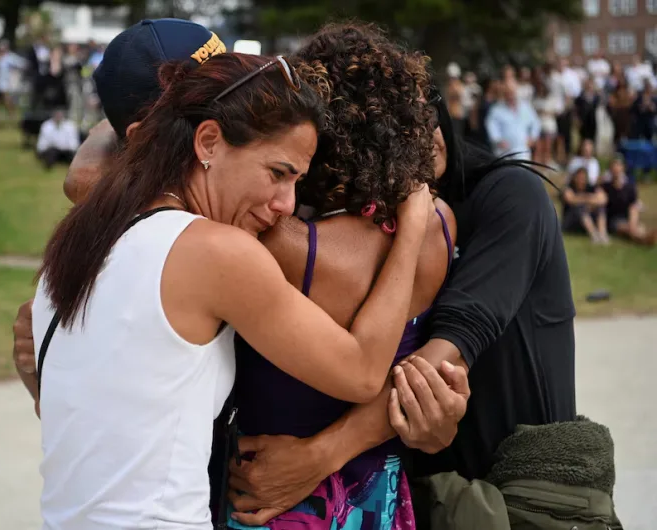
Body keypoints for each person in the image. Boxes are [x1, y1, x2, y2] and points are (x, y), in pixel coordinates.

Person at [31, 21, 434, 530]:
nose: (286, 204)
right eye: (277, 172)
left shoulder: (77, 239)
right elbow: (360, 372)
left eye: (298, 181)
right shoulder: (215, 252)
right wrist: (414, 221)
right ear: (208, 140)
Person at [221, 57, 583, 529]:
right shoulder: (388, 218)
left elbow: (447, 352)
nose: (422, 130)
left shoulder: (509, 197)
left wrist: (317, 457)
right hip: (427, 485)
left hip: (517, 491)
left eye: (427, 108)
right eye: (397, 117)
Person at [603, 157, 656, 246]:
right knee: (629, 228)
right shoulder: (605, 186)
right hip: (613, 220)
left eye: (618, 166)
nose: (616, 169)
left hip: (629, 218)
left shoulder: (630, 187)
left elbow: (634, 205)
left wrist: (632, 222)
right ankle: (644, 238)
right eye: (613, 166)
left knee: (635, 223)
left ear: (623, 168)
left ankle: (641, 237)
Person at [485, 79, 540, 159]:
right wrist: (497, 140)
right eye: (507, 93)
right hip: (503, 149)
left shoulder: (526, 107)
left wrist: (533, 137)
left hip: (522, 148)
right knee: (504, 171)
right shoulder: (496, 109)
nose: (510, 95)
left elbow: (535, 122)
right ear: (504, 94)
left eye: (512, 92)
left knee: (523, 171)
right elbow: (490, 125)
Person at [561, 167, 609, 244]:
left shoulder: (591, 187)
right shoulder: (569, 187)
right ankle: (594, 235)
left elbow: (603, 199)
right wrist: (589, 199)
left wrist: (587, 201)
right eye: (579, 177)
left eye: (583, 178)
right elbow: (571, 199)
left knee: (600, 208)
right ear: (574, 178)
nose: (581, 180)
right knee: (579, 207)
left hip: (585, 221)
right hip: (570, 222)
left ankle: (602, 234)